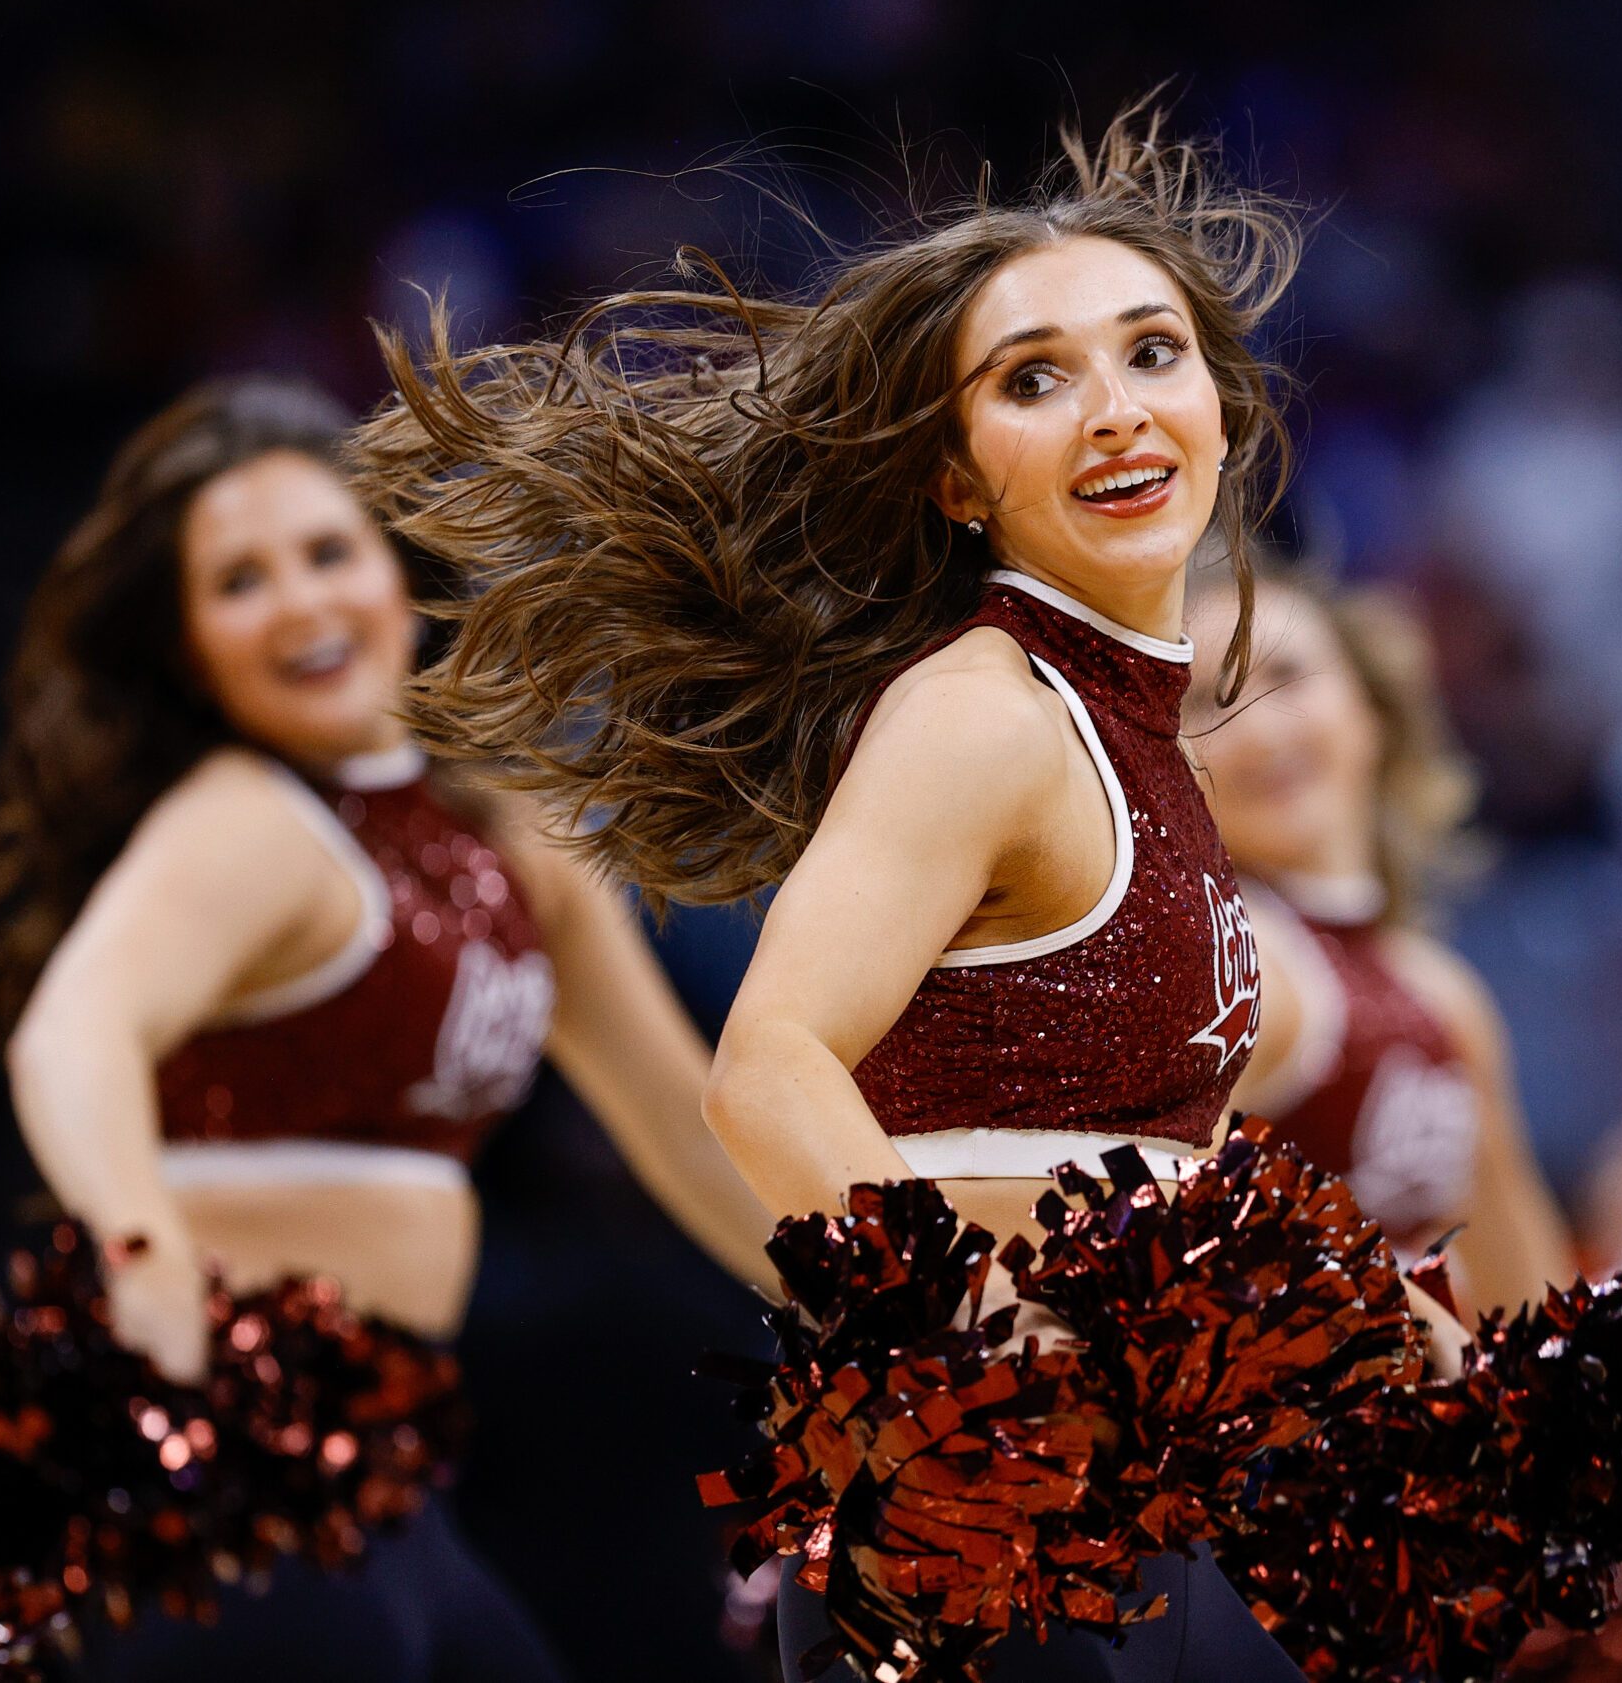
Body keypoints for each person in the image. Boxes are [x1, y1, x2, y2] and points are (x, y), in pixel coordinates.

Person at [353, 106, 1324, 1682]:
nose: (1115, 412)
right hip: (998, 1485)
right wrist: (977, 1348)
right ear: (953, 478)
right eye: (1033, 379)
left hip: (1139, 1473)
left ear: (1221, 405)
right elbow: (771, 1062)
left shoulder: (1135, 737)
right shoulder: (984, 709)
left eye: (1152, 354)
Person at [0, 373, 774, 1683]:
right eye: (239, 580)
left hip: (389, 1478)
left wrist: (893, 1301)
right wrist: (142, 1246)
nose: (298, 600)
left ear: (395, 576)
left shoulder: (511, 834)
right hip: (219, 1455)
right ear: (187, 645)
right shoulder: (243, 818)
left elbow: (686, 1124)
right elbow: (73, 1030)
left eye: (326, 552)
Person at [1180, 567, 1573, 1314]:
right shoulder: (1228, 963)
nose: (1259, 729)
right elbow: (1144, 1245)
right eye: (1206, 703)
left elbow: (1531, 1305)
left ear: (1373, 711)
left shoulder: (1441, 992)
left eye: (1287, 675)